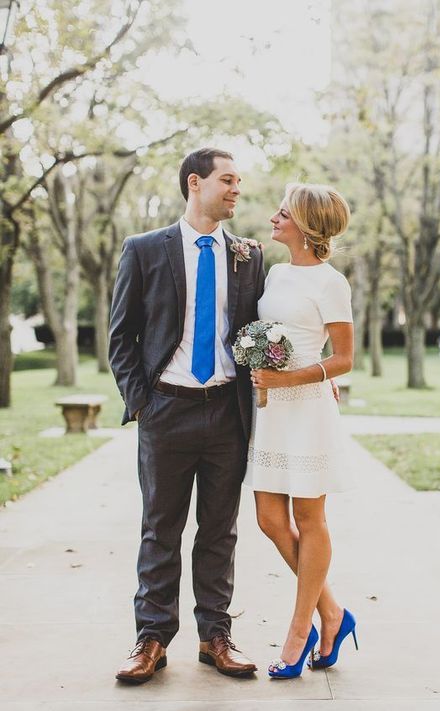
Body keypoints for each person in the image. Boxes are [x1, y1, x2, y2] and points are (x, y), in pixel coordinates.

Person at [109, 148, 264, 683]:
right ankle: (151, 638)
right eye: (227, 179)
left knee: (220, 530)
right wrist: (143, 404)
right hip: (165, 412)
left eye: (239, 181)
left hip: (226, 412)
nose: (236, 189)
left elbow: (255, 332)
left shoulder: (249, 255)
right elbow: (121, 339)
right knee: (160, 530)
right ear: (195, 183)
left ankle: (214, 636)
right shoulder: (145, 250)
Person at [243, 182, 357, 679]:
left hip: (307, 409)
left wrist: (289, 377)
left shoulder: (332, 283)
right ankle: (332, 611)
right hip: (270, 410)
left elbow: (344, 359)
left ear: (306, 225)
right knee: (269, 518)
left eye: (282, 212)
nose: (273, 217)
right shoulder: (274, 273)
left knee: (310, 518)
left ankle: (299, 628)